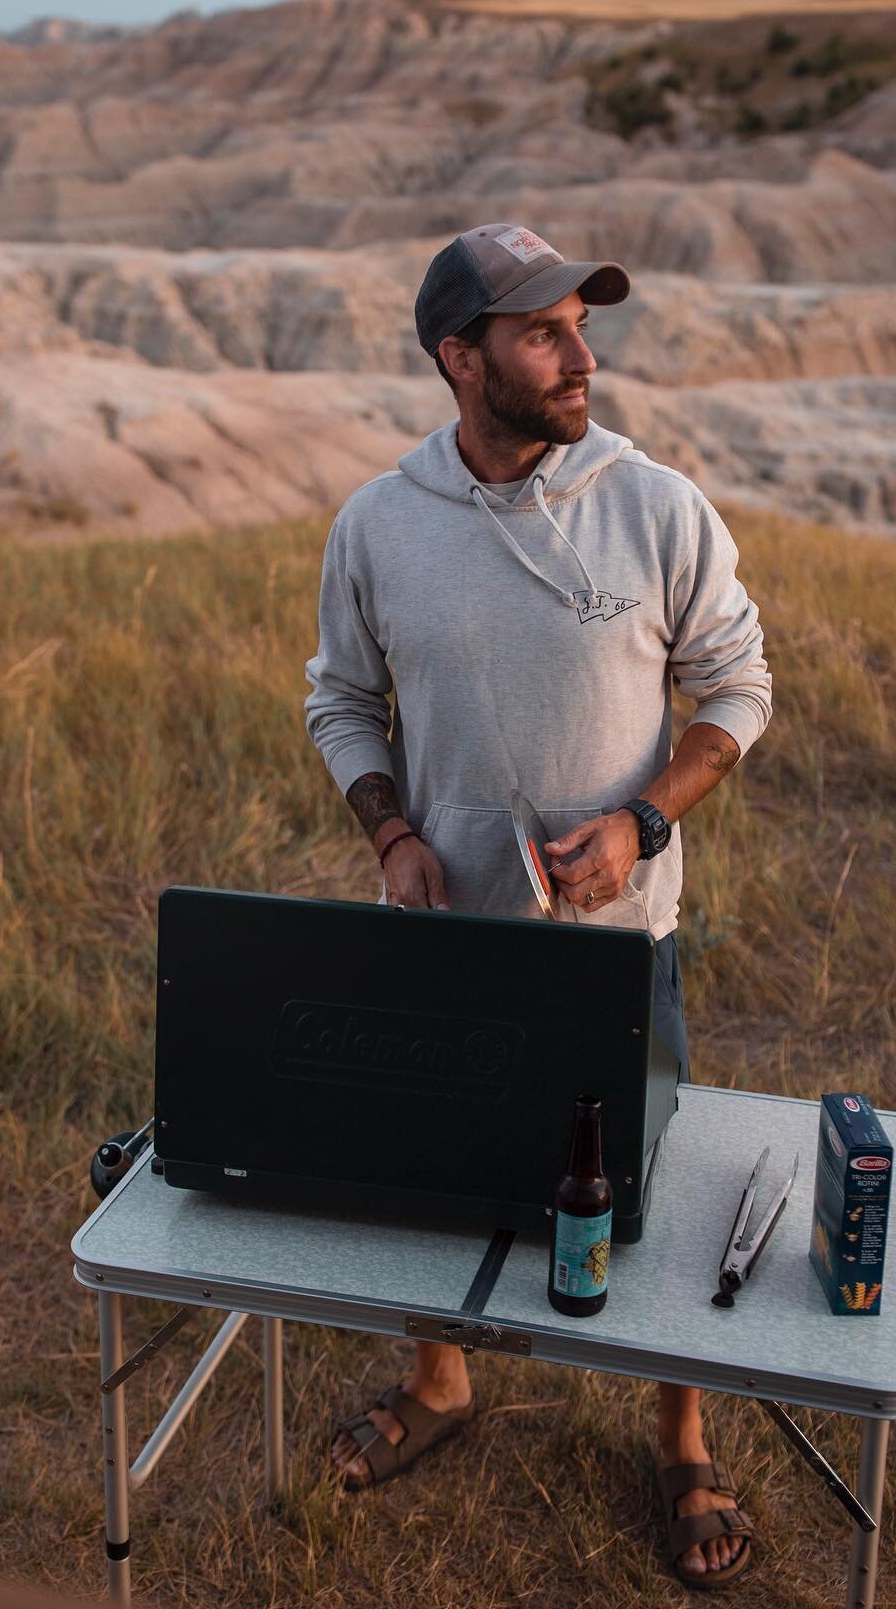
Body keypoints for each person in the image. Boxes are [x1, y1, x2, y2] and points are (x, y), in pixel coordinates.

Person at [303, 223, 773, 1589]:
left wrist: (643, 820)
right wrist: (391, 831)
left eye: (582, 323)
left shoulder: (655, 504)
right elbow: (340, 699)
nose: (582, 356)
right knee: (436, 1177)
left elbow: (737, 687)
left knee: (648, 1192)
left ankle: (681, 1433)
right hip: (448, 939)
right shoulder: (380, 524)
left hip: (620, 946)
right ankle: (442, 1384)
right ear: (461, 359)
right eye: (543, 332)